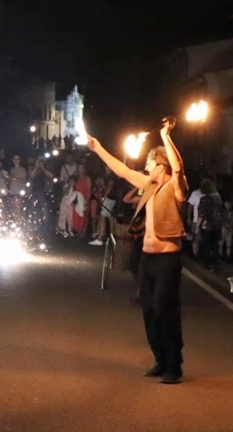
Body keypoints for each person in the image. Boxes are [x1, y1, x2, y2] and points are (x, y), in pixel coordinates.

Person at [89, 117, 188, 385]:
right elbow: (121, 170)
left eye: (150, 165)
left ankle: (173, 365)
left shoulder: (174, 188)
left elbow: (178, 169)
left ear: (162, 165)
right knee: (148, 309)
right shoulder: (149, 186)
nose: (146, 169)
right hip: (147, 257)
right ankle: (159, 359)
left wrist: (167, 137)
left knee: (163, 308)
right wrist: (98, 148)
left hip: (168, 258)